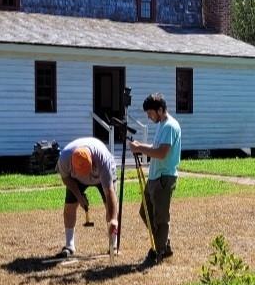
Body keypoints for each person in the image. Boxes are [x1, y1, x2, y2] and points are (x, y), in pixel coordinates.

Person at [129, 92, 181, 267]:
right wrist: (141, 147)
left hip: (164, 178)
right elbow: (155, 147)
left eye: (150, 113)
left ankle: (158, 251)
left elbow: (161, 153)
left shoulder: (170, 127)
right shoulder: (161, 125)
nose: (149, 117)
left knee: (161, 218)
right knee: (145, 212)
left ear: (160, 110)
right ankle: (164, 245)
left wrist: (140, 148)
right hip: (154, 177)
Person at [54, 137, 119, 258]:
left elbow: (110, 192)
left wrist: (114, 219)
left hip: (101, 177)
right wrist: (79, 196)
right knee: (69, 207)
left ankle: (113, 245)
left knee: (110, 208)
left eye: (86, 170)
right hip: (76, 180)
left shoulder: (103, 160)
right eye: (81, 171)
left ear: (92, 162)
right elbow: (65, 178)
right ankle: (69, 246)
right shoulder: (64, 158)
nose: (86, 176)